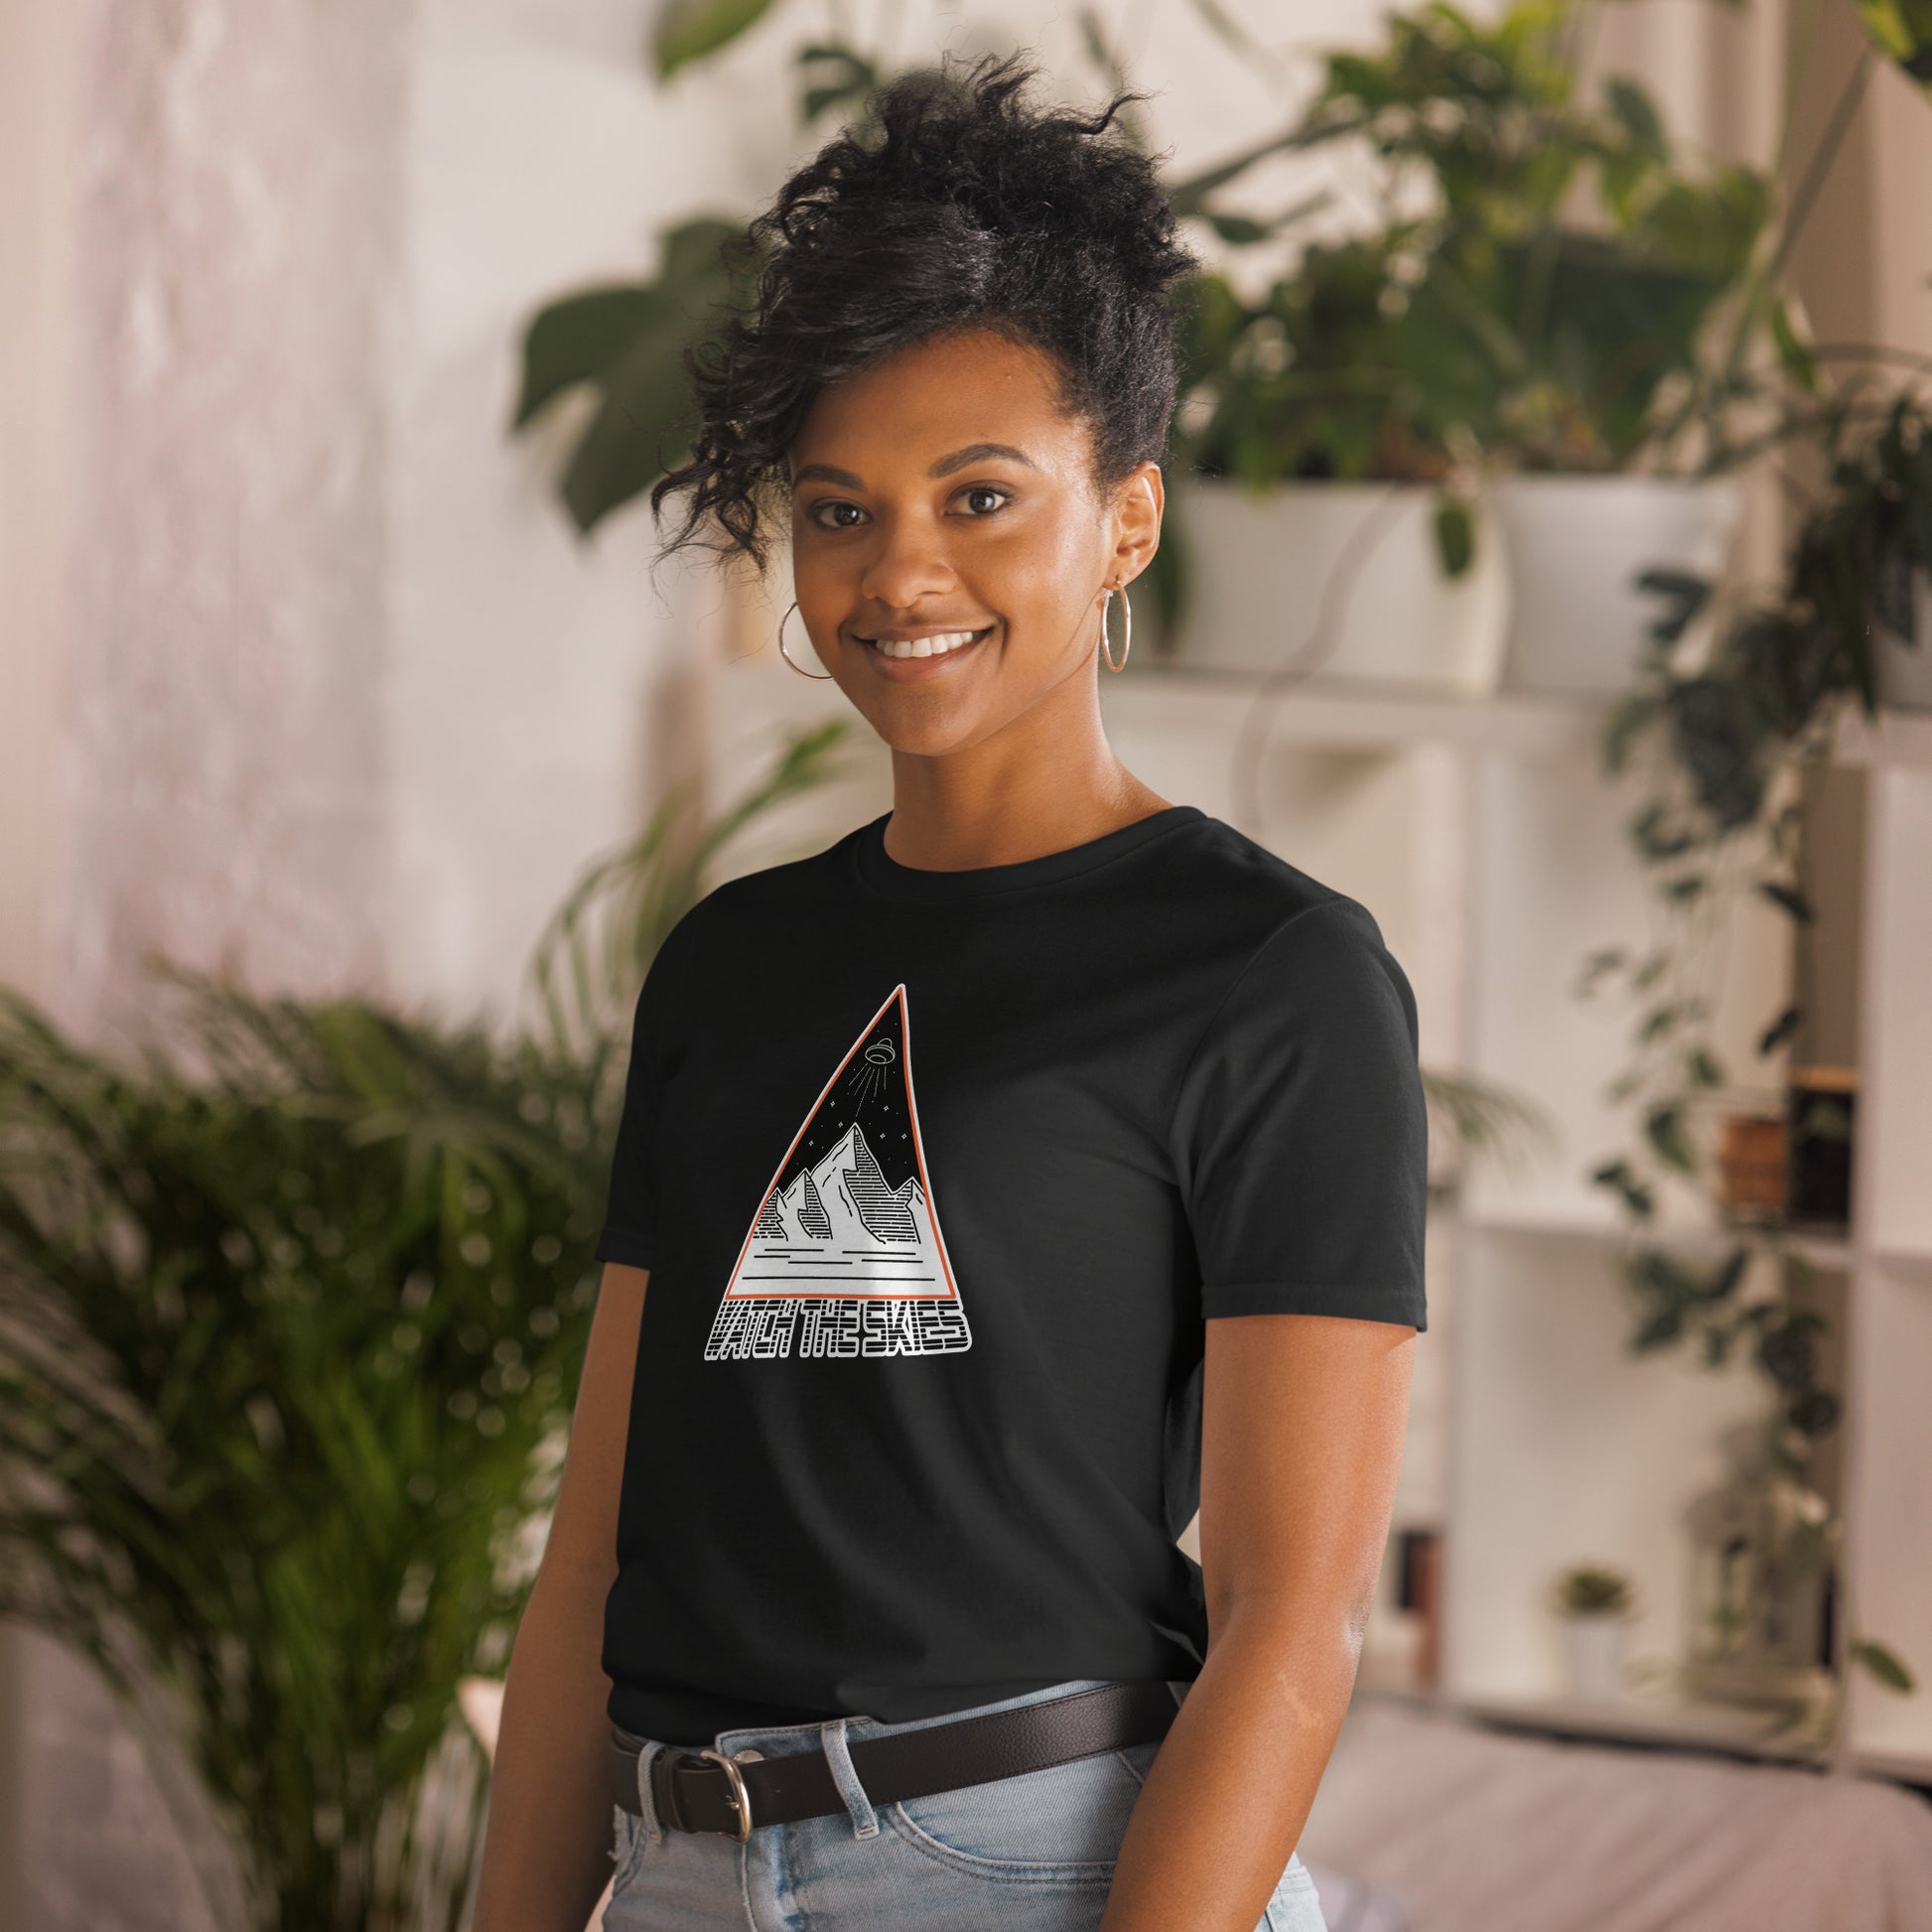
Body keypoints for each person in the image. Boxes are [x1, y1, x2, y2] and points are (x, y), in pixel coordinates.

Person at [472, 48, 1425, 1932]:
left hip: (1031, 1865)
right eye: (838, 510)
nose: (899, 570)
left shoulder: (1271, 974)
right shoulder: (732, 961)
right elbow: (596, 1556)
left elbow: (1289, 1623)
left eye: (980, 496)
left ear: (1124, 519)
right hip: (677, 1867)